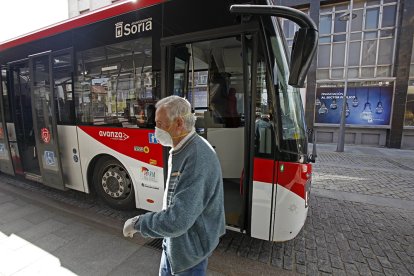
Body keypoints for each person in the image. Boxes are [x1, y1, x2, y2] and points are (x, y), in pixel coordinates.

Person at [123, 95, 226, 276]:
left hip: (188, 254)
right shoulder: (181, 147)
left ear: (178, 123)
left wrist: (138, 223)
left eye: (160, 124)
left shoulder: (196, 157)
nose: (156, 130)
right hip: (175, 245)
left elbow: (178, 220)